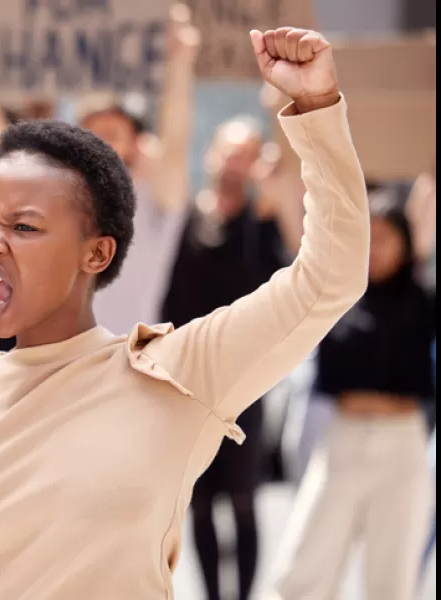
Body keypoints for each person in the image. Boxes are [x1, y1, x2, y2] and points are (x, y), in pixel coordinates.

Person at [0, 27, 370, 599]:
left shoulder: (177, 375)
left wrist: (315, 110)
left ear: (97, 252)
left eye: (24, 226)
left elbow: (331, 275)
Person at [269, 198, 436, 600]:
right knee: (303, 567)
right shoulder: (337, 297)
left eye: (384, 238)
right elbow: (300, 248)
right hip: (342, 441)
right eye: (368, 237)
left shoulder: (424, 302)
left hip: (402, 445)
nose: (374, 248)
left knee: (391, 576)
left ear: (406, 242)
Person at [160, 115, 290, 600]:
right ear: (212, 154)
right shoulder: (184, 220)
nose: (237, 163)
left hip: (243, 384)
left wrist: (272, 198)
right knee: (199, 501)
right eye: (231, 151)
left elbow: (288, 272)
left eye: (248, 154)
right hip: (187, 383)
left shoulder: (261, 225)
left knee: (242, 499)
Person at [79, 4, 198, 338]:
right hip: (65, 364)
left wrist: (180, 60)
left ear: (136, 143)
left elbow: (175, 141)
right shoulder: (63, 199)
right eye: (90, 133)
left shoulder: (155, 199)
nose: (98, 144)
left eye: (111, 135)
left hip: (128, 356)